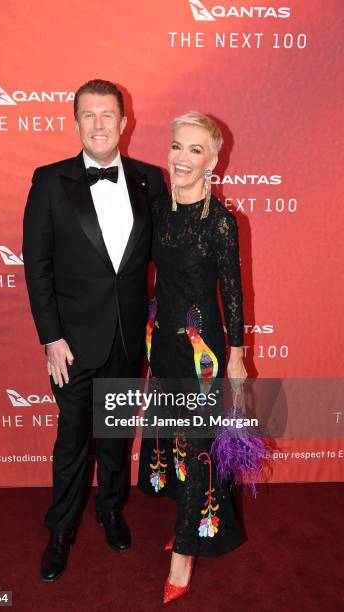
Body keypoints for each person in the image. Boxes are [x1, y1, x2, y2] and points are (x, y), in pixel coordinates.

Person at [22, 79, 167, 582]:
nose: (100, 124)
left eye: (108, 115)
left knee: (114, 435)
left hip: (128, 339)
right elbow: (37, 266)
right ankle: (60, 530)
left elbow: (164, 262)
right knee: (71, 442)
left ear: (125, 122)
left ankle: (110, 509)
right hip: (72, 343)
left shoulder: (152, 180)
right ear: (76, 121)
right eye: (89, 115)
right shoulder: (49, 181)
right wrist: (50, 337)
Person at [137, 111, 248, 603]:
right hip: (162, 345)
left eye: (195, 150)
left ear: (213, 161)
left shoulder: (222, 223)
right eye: (177, 146)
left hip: (203, 356)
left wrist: (239, 358)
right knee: (175, 438)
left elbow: (233, 294)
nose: (182, 157)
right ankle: (186, 518)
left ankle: (184, 552)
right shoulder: (158, 209)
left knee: (200, 441)